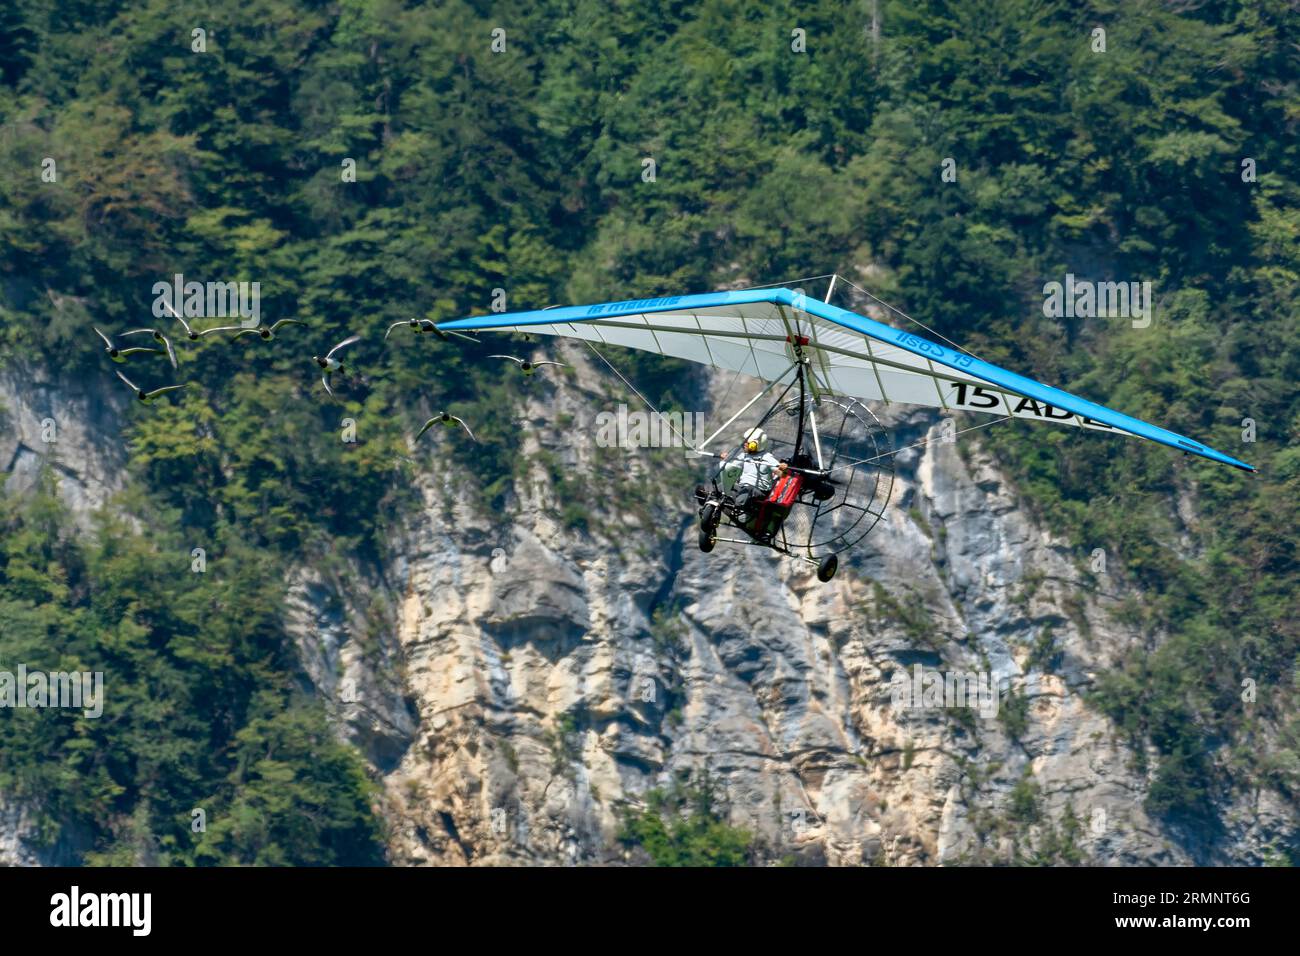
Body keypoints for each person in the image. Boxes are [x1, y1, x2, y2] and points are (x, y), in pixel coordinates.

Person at [721, 427, 787, 519]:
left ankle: (739, 506)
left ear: (755, 445)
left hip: (759, 490)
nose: (744, 444)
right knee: (723, 487)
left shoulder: (767, 457)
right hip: (743, 487)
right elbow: (733, 467)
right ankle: (715, 503)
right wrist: (727, 459)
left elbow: (779, 472)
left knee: (747, 492)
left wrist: (783, 469)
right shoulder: (744, 456)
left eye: (747, 443)